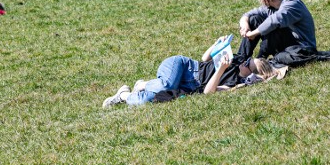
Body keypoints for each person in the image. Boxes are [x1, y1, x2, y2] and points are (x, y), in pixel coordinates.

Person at [102, 44, 285, 107]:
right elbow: (204, 59)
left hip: (183, 85)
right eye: (247, 61)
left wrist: (221, 69)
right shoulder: (234, 60)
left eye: (247, 65)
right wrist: (215, 45)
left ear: (249, 75)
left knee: (146, 101)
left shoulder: (234, 82)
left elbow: (208, 92)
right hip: (182, 66)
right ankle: (144, 84)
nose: (243, 63)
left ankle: (124, 95)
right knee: (166, 86)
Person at [236, 0, 330, 68]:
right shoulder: (271, 6)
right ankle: (240, 60)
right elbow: (248, 14)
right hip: (287, 43)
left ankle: (260, 60)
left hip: (301, 48)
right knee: (254, 19)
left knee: (279, 54)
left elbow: (273, 22)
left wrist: (253, 34)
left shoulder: (291, 5)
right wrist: (245, 25)